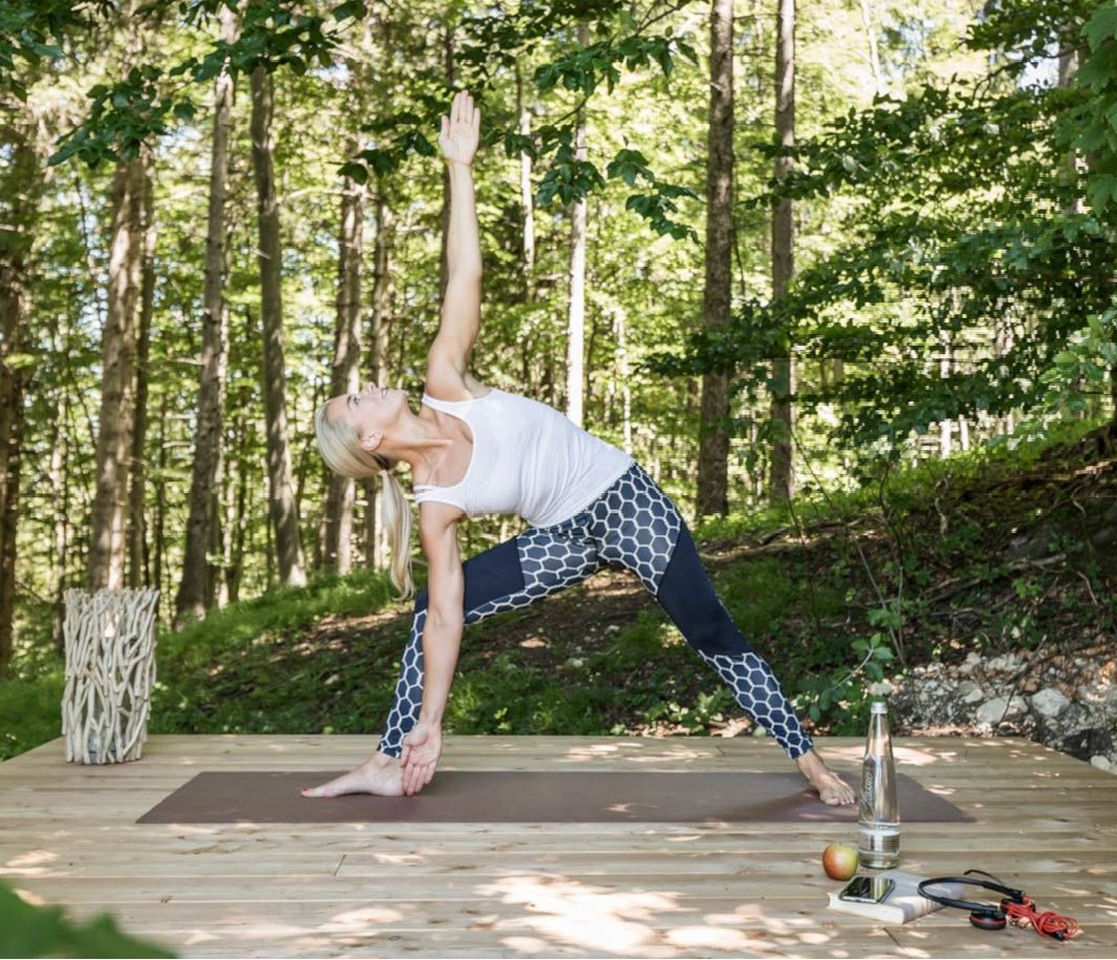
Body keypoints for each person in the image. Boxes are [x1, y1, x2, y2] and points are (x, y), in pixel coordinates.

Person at [306, 89, 855, 806]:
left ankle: (808, 760)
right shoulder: (434, 504)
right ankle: (392, 757)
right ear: (371, 440)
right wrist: (433, 724)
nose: (371, 386)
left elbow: (463, 276)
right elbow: (445, 618)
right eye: (357, 400)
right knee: (430, 610)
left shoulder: (445, 379)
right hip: (560, 537)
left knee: (709, 627)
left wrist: (461, 170)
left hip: (623, 499)